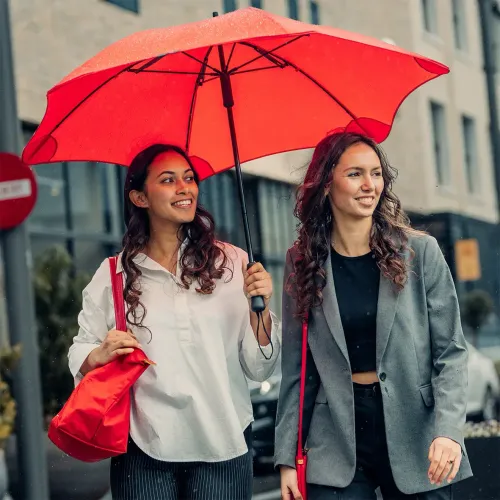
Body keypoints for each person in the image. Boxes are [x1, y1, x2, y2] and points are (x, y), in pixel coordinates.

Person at [68, 144, 281, 500]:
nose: (185, 188)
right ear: (139, 197)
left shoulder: (232, 264)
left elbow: (259, 369)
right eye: (169, 180)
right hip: (144, 447)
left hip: (224, 444)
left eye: (189, 178)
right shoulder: (113, 274)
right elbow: (81, 347)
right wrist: (98, 354)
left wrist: (259, 309)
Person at [274, 132, 472, 500]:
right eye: (355, 174)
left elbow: (452, 352)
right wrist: (287, 455)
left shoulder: (420, 252)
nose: (370, 185)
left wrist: (448, 431)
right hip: (335, 436)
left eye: (376, 173)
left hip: (417, 433)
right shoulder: (302, 262)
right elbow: (297, 371)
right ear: (326, 182)